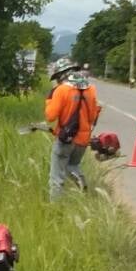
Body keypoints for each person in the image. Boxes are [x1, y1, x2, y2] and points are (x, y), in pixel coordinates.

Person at [44, 60, 101, 199]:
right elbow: (92, 117)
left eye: (57, 77)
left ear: (62, 75)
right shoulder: (91, 89)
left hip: (65, 138)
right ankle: (82, 186)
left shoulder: (61, 90)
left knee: (56, 176)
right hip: (83, 139)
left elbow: (50, 116)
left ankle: (55, 207)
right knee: (72, 166)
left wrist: (49, 100)